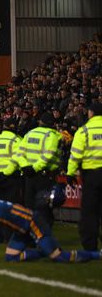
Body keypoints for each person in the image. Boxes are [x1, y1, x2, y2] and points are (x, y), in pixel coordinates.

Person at [0, 185, 100, 265]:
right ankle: (46, 251)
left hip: (32, 222)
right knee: (11, 257)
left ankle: (97, 254)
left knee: (60, 257)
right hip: (21, 228)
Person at [66, 102, 102, 251]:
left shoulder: (84, 131)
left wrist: (70, 173)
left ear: (91, 113)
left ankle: (90, 246)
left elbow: (75, 155)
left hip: (92, 176)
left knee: (89, 212)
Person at [17, 112, 62, 227]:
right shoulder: (52, 135)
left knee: (29, 207)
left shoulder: (29, 134)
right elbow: (48, 155)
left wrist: (26, 167)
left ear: (40, 122)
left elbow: (19, 154)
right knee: (44, 208)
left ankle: (29, 235)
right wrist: (34, 168)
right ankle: (43, 237)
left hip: (29, 175)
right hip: (44, 175)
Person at [0, 117, 23, 205]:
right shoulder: (18, 140)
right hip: (11, 178)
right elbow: (16, 160)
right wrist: (5, 173)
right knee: (9, 209)